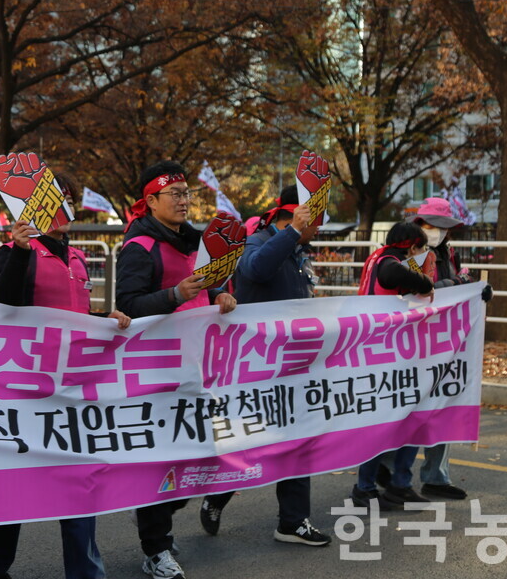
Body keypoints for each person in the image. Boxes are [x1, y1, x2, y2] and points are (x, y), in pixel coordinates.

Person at [0, 177, 130, 579]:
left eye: (68, 200)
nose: (63, 208)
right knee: (14, 482)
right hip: (24, 389)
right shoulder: (16, 250)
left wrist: (103, 319)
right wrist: (21, 252)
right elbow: (2, 306)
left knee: (79, 481)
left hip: (73, 390)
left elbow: (72, 318)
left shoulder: (76, 256)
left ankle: (86, 572)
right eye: (54, 201)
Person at [115, 161, 237, 579]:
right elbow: (128, 305)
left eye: (187, 193)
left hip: (199, 368)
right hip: (156, 373)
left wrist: (221, 295)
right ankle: (156, 548)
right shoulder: (139, 247)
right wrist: (173, 295)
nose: (184, 200)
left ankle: (155, 513)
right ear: (150, 201)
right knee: (163, 462)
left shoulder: (195, 242)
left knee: (205, 455)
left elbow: (212, 280)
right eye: (175, 194)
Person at [199, 186, 332, 547]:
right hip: (257, 370)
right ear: (297, 216)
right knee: (248, 443)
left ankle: (292, 521)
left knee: (298, 441)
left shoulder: (298, 253)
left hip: (293, 367)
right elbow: (255, 270)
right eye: (315, 220)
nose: (318, 229)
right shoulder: (256, 242)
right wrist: (290, 235)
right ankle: (215, 495)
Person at [380, 196, 491, 501]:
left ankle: (435, 476)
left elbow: (446, 290)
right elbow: (410, 290)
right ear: (417, 225)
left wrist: (475, 291)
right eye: (430, 225)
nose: (436, 232)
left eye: (442, 227)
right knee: (403, 408)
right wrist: (457, 284)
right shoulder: (407, 251)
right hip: (407, 339)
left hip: (441, 338)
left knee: (443, 404)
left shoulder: (448, 253)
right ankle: (384, 471)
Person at [349, 221, 435, 510]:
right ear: (411, 246)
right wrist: (425, 281)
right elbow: (393, 275)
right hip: (384, 355)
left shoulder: (376, 256)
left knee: (405, 419)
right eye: (421, 248)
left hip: (381, 352)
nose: (423, 254)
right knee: (390, 422)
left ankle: (391, 484)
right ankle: (369, 487)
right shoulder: (389, 261)